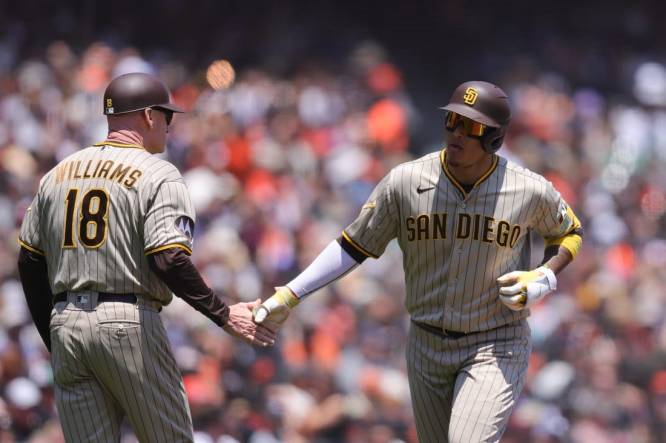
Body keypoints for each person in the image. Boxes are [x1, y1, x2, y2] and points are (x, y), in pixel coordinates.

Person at [254, 81, 583, 442]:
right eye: (452, 121)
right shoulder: (406, 181)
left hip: (495, 342)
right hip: (426, 344)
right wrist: (290, 294)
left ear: (494, 138)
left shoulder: (528, 188)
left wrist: (543, 277)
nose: (457, 132)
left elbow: (569, 232)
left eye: (470, 126)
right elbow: (353, 245)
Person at [17, 72, 277, 443]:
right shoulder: (158, 174)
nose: (170, 125)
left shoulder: (56, 175)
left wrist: (54, 335)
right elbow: (168, 258)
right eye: (167, 116)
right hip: (127, 322)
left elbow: (29, 262)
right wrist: (223, 313)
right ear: (149, 116)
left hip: (65, 324)